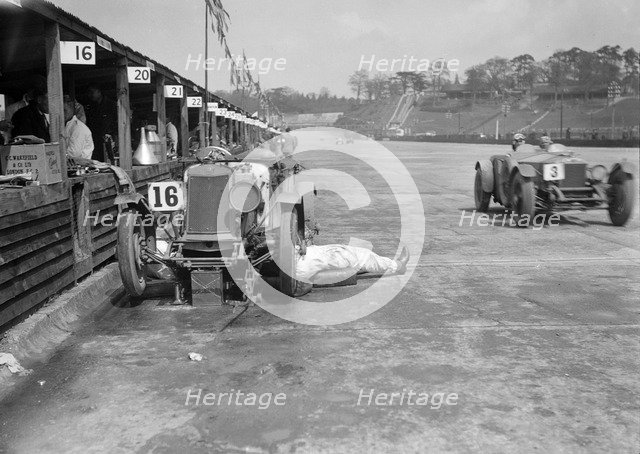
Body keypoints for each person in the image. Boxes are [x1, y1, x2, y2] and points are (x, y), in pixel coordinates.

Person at [296, 244, 410, 286]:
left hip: (295, 269)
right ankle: (398, 266)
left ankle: (358, 268)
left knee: (337, 262)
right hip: (300, 261)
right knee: (361, 255)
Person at [84, 85, 117, 161]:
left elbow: (116, 121)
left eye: (92, 92)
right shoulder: (91, 107)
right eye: (89, 93)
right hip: (96, 139)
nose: (90, 95)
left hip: (108, 138)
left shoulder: (111, 105)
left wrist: (111, 133)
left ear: (99, 92)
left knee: (110, 158)